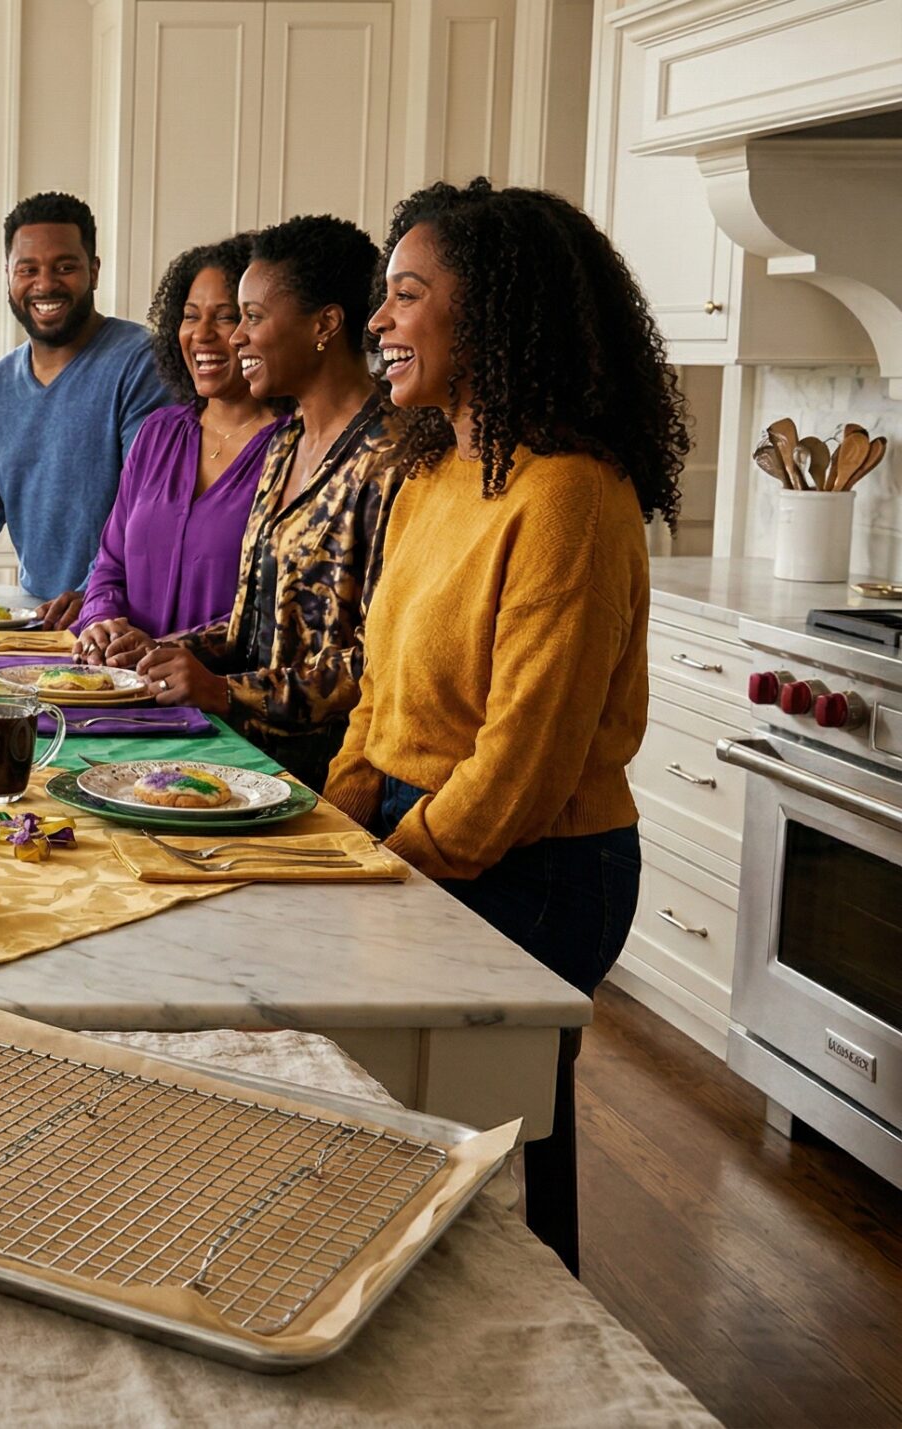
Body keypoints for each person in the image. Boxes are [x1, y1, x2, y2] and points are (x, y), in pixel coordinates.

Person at [330, 180, 681, 1277]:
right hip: (417, 826)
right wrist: (327, 823)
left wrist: (384, 870)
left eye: (404, 296)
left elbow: (522, 767)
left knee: (480, 1154)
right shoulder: (430, 470)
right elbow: (379, 695)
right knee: (384, 1128)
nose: (378, 323)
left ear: (490, 313)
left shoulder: (570, 493)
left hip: (530, 867)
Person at [136, 215, 398, 790]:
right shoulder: (285, 441)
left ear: (325, 324)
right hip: (244, 760)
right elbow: (254, 620)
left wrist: (223, 690)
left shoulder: (391, 457)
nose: (234, 337)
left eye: (251, 317)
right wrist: (156, 654)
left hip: (334, 781)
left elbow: (377, 666)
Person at [0, 192, 170, 624]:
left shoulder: (142, 362)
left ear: (95, 271)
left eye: (65, 267)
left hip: (130, 616)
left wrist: (94, 592)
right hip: (41, 615)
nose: (45, 285)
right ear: (7, 275)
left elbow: (148, 503)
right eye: (28, 269)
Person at [73, 237, 288, 668]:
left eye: (225, 317)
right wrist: (102, 620)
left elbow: (280, 607)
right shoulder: (159, 434)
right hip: (129, 694)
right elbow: (110, 564)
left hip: (229, 705)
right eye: (190, 316)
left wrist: (167, 650)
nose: (202, 334)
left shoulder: (294, 447)